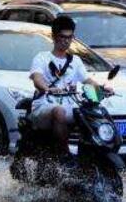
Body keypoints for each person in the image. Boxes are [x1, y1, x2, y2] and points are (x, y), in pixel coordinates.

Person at [29, 16, 112, 155]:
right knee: (59, 111)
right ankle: (64, 154)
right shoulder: (42, 57)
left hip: (70, 105)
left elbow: (87, 80)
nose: (66, 40)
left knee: (92, 113)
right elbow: (37, 78)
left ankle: (89, 153)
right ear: (54, 36)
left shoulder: (76, 61)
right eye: (63, 36)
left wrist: (103, 89)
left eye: (70, 37)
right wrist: (47, 88)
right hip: (45, 105)